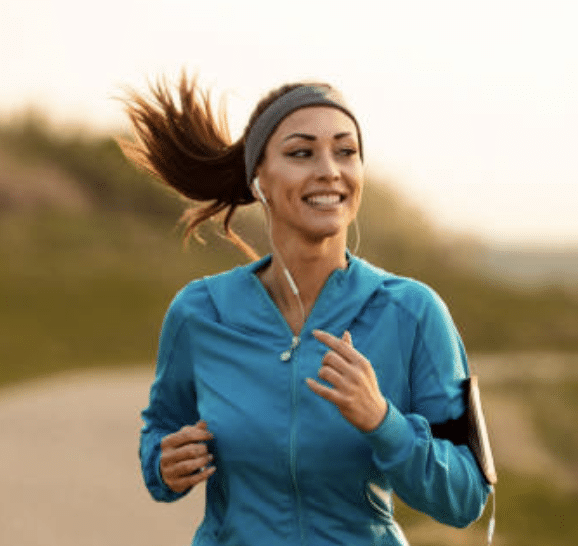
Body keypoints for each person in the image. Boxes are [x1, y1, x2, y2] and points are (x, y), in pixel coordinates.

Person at [121, 76, 492, 545]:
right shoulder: (200, 313)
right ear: (260, 181)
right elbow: (161, 427)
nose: (329, 171)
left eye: (345, 151)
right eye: (301, 153)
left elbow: (465, 498)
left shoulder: (412, 312)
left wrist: (383, 421)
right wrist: (163, 464)